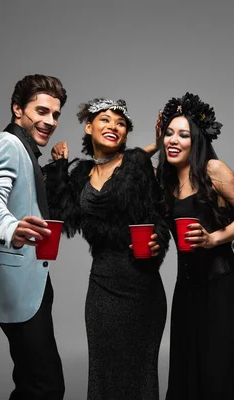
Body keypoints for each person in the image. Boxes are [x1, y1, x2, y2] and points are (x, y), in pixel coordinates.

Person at [44, 98, 170, 400]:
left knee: (140, 378)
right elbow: (62, 216)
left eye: (121, 123)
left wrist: (157, 240)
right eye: (105, 120)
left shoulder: (137, 166)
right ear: (89, 127)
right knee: (103, 375)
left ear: (125, 135)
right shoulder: (79, 174)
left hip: (141, 287)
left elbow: (159, 216)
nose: (113, 126)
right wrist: (59, 168)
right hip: (101, 287)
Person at [156, 92, 234, 400]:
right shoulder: (163, 179)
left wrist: (214, 238)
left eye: (183, 135)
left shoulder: (213, 170)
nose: (173, 140)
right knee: (190, 374)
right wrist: (154, 142)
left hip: (222, 289)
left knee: (222, 374)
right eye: (168, 134)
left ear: (197, 141)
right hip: (186, 292)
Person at [0, 74, 68, 400]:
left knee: (32, 383)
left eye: (55, 114)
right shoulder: (6, 143)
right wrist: (11, 228)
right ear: (17, 110)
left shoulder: (26, 150)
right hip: (17, 284)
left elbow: (28, 194)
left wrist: (54, 168)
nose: (49, 121)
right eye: (41, 111)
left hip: (32, 282)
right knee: (44, 386)